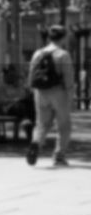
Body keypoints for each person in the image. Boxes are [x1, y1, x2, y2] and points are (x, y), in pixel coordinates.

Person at [25, 24, 76, 167]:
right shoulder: (63, 54)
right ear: (64, 37)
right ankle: (59, 156)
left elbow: (31, 75)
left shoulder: (37, 53)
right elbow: (69, 78)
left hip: (40, 92)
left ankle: (36, 143)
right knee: (64, 125)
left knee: (41, 124)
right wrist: (70, 96)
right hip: (58, 92)